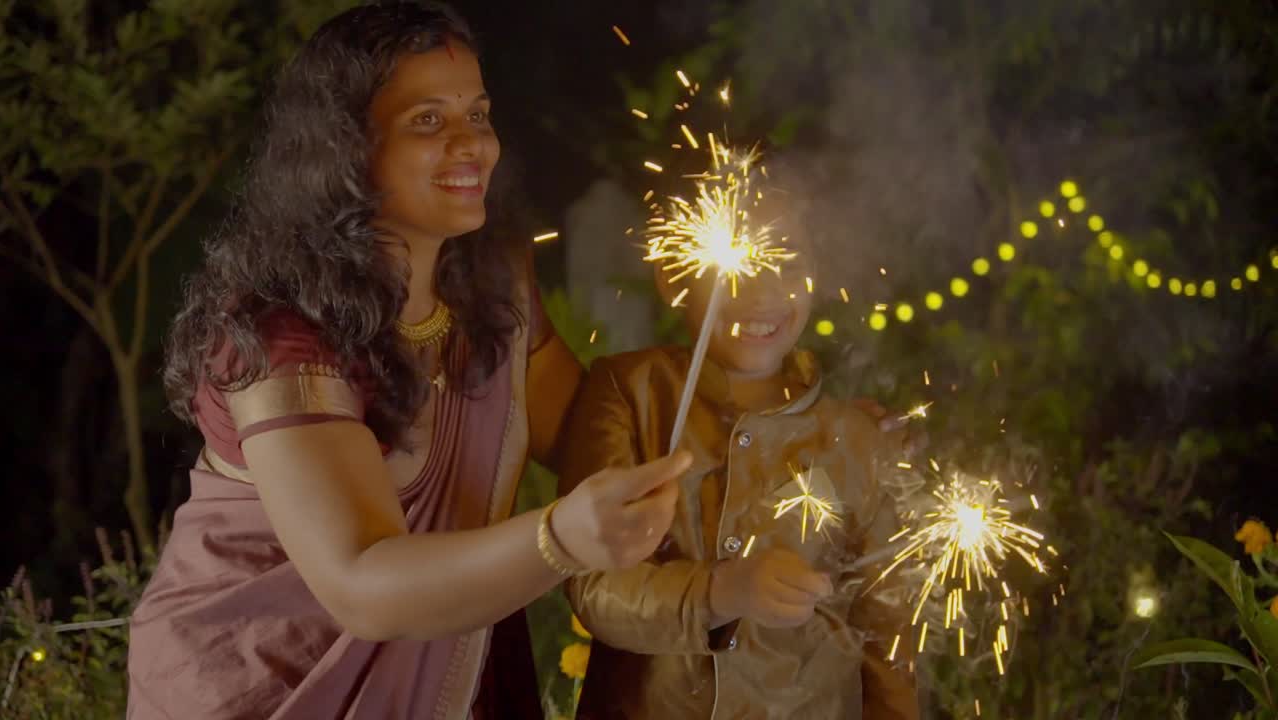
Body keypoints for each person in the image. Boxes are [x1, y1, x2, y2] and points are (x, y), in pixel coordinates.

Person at [127, 3, 689, 718]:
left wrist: (733, 394)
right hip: (269, 683)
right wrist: (559, 539)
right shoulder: (282, 337)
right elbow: (362, 583)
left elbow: (585, 432)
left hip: (448, 661)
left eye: (478, 116)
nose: (473, 146)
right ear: (348, 147)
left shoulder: (494, 283)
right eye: (428, 120)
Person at [562, 224, 921, 718]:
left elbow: (888, 636)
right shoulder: (630, 393)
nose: (763, 290)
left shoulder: (856, 437)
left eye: (788, 261)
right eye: (739, 262)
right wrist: (720, 592)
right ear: (675, 275)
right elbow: (594, 588)